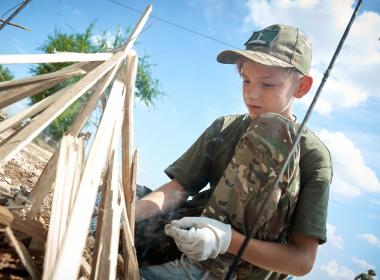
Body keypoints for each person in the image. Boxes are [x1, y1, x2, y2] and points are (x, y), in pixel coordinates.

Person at [136, 24, 333, 280]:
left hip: (238, 269)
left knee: (271, 129)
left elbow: (302, 261)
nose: (251, 94)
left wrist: (226, 240)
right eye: (246, 81)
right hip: (192, 235)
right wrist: (125, 215)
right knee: (123, 201)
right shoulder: (225, 127)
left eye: (267, 84)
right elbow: (177, 190)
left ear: (302, 87)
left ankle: (203, 271)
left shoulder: (314, 156)